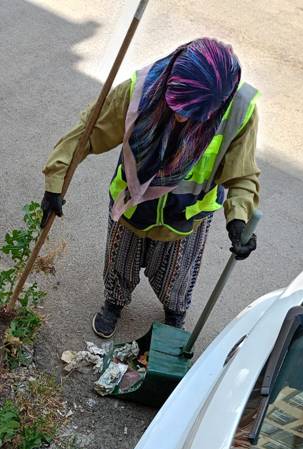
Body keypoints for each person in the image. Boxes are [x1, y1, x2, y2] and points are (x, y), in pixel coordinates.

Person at [41, 38, 261, 338]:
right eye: (176, 107)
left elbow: (242, 174)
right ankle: (114, 303)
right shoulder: (141, 90)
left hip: (187, 216)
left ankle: (174, 311)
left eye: (193, 114)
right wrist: (56, 181)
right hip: (133, 203)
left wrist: (239, 219)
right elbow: (89, 131)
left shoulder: (239, 111)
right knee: (120, 264)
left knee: (176, 277)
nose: (181, 117)